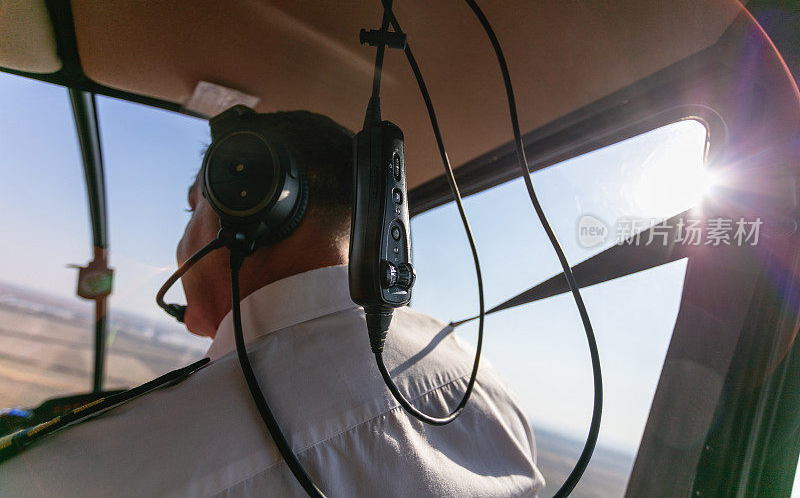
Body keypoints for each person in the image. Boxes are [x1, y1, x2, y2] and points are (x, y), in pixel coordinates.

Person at [2, 110, 544, 497]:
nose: (182, 241)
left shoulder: (86, 472)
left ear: (247, 205)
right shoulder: (477, 378)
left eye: (193, 210)